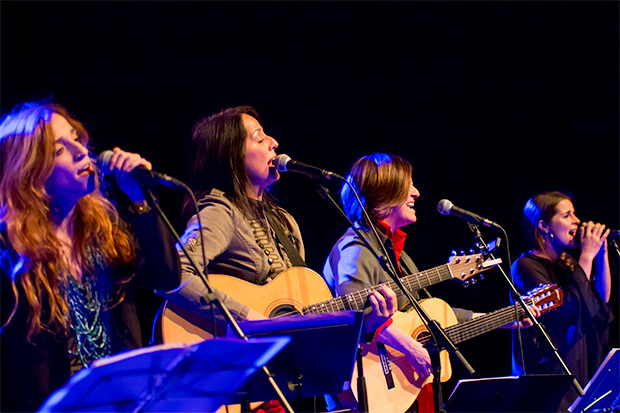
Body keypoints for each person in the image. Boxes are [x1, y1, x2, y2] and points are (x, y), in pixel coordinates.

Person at [162, 106, 398, 413]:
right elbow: (174, 275)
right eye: (259, 139)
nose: (273, 142)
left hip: (282, 386)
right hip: (240, 383)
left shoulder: (284, 222)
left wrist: (368, 323)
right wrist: (247, 316)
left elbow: (305, 320)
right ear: (231, 155)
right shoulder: (220, 211)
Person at [0, 101, 181, 412]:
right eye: (59, 149)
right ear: (30, 171)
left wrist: (139, 199)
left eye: (76, 138)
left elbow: (166, 277)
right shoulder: (10, 250)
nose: (81, 151)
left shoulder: (102, 228)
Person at [323, 153, 537, 412]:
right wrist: (410, 348)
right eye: (408, 185)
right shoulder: (354, 249)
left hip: (406, 395)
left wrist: (504, 319)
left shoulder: (395, 254)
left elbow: (430, 317)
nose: (416, 193)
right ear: (385, 191)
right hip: (369, 393)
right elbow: (352, 312)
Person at [511, 191, 613, 412]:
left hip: (578, 366)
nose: (577, 220)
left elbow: (599, 300)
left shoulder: (567, 265)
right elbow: (565, 311)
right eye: (567, 215)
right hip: (550, 378)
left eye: (574, 214)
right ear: (544, 226)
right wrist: (586, 257)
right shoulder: (526, 265)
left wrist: (601, 254)